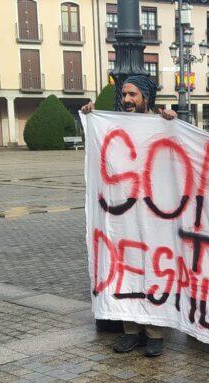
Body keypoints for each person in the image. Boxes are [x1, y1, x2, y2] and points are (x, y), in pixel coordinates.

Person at [83, 75, 176, 357]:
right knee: (124, 268)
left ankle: (155, 333)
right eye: (124, 95)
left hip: (153, 214)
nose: (126, 100)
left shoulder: (162, 124)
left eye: (133, 94)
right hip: (123, 214)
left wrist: (172, 122)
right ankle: (131, 331)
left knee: (151, 270)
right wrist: (89, 116)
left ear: (146, 97)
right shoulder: (113, 125)